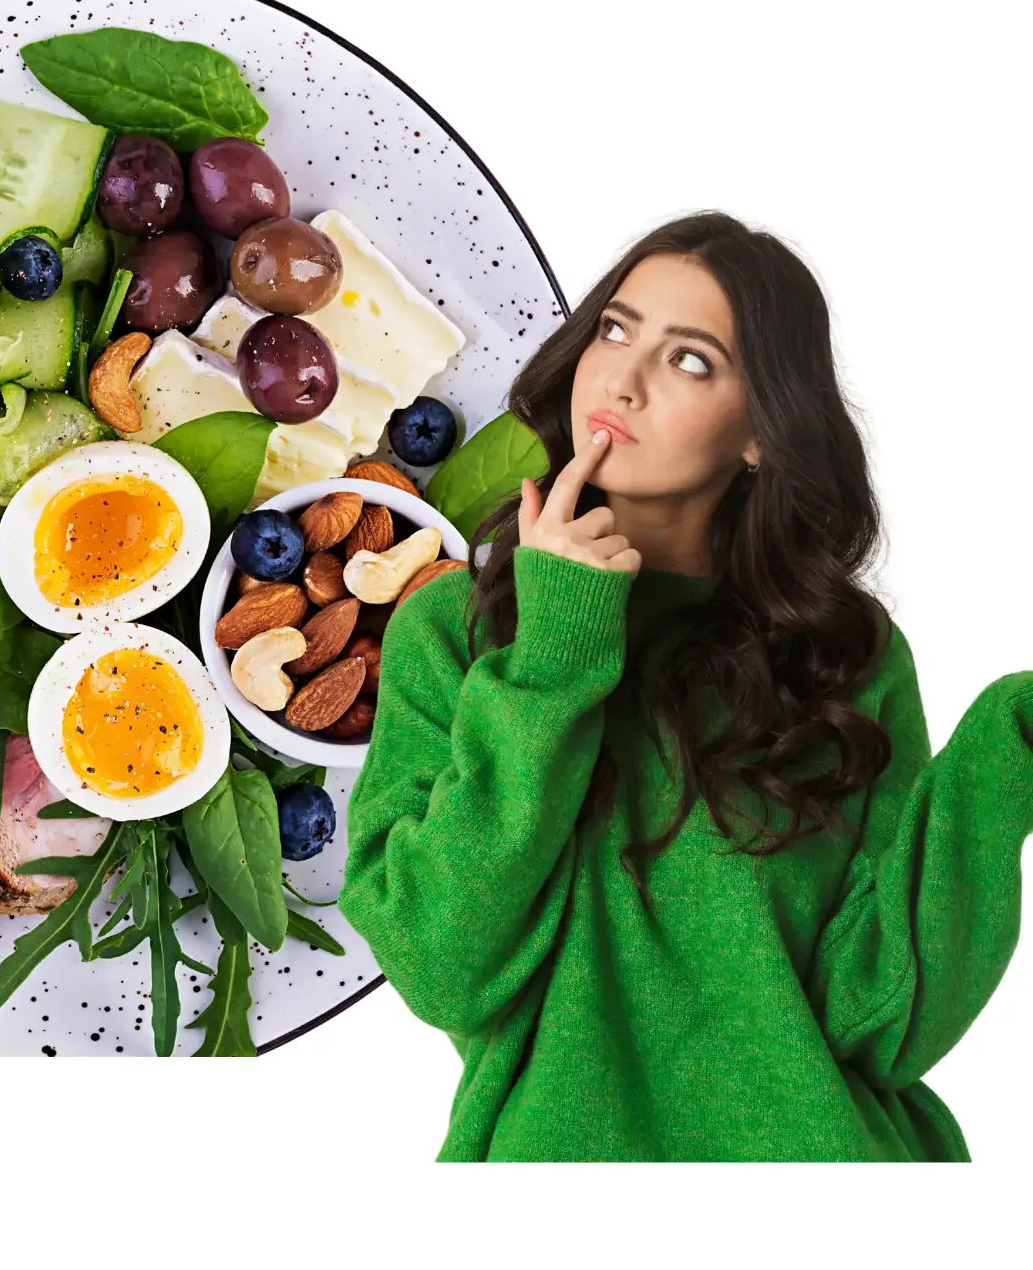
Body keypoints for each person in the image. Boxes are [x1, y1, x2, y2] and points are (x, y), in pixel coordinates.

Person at [339, 211, 1032, 1162]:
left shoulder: (844, 656)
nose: (620, 379)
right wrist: (553, 653)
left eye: (691, 360)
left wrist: (1009, 751)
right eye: (616, 330)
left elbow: (883, 1025)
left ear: (760, 432)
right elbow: (443, 967)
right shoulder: (455, 631)